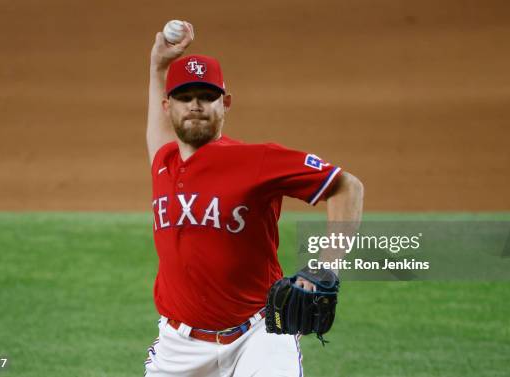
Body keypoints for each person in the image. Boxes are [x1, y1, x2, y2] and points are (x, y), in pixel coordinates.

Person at [144, 22, 363, 377]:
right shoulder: (164, 162)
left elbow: (346, 187)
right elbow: (156, 127)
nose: (195, 106)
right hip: (178, 346)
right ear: (169, 106)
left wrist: (327, 265)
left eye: (206, 96)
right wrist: (157, 67)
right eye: (184, 98)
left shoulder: (258, 160)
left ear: (225, 103)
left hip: (258, 335)